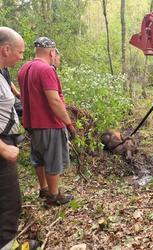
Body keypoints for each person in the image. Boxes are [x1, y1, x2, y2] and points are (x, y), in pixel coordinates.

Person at [18, 37, 76, 206]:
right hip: (48, 123)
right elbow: (54, 100)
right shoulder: (46, 70)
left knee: (39, 158)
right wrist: (69, 124)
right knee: (53, 159)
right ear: (51, 52)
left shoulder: (24, 68)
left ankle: (43, 188)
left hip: (31, 123)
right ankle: (53, 196)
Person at [0, 26, 39, 250]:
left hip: (8, 140)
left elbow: (10, 90)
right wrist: (3, 148)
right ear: (5, 49)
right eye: (20, 52)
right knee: (8, 203)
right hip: (2, 146)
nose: (22, 57)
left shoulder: (3, 71)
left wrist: (19, 99)